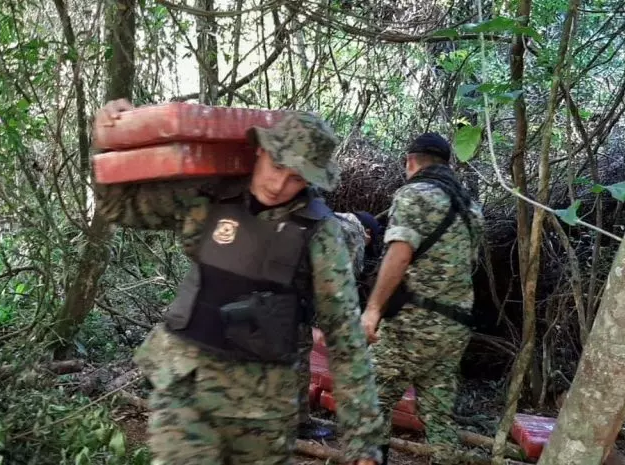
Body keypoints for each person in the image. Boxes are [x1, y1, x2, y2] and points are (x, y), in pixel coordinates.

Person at [93, 99, 383, 465]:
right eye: (277, 166)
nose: (280, 184)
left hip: (263, 408)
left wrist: (363, 441)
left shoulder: (321, 234)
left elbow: (345, 337)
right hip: (186, 386)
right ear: (261, 150)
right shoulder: (209, 197)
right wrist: (105, 140)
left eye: (297, 178)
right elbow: (119, 208)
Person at [360, 132, 484, 464]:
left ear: (411, 162)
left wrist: (373, 310)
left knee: (371, 400)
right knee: (438, 414)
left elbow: (399, 255)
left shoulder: (414, 194)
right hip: (455, 326)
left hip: (413, 324)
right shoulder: (471, 208)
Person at [296, 211, 368, 440]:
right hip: (293, 302)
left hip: (270, 295)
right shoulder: (351, 234)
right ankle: (298, 422)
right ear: (367, 234)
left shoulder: (320, 218)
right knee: (298, 357)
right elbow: (337, 284)